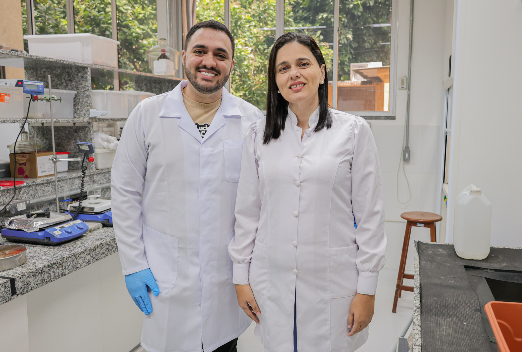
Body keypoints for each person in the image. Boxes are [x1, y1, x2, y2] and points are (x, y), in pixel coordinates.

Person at [229, 32, 387, 352]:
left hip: (334, 282)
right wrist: (240, 277)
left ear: (322, 72)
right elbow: (248, 212)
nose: (294, 74)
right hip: (271, 279)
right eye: (283, 68)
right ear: (276, 81)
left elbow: (370, 217)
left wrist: (367, 289)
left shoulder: (353, 132)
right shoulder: (258, 135)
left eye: (303, 64)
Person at [111, 20, 263, 352]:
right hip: (166, 280)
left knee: (223, 346)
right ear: (184, 57)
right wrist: (134, 265)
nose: (209, 61)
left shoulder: (252, 121)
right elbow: (124, 194)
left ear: (231, 64)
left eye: (220, 55)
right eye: (200, 51)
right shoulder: (147, 115)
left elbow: (262, 202)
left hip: (225, 283)